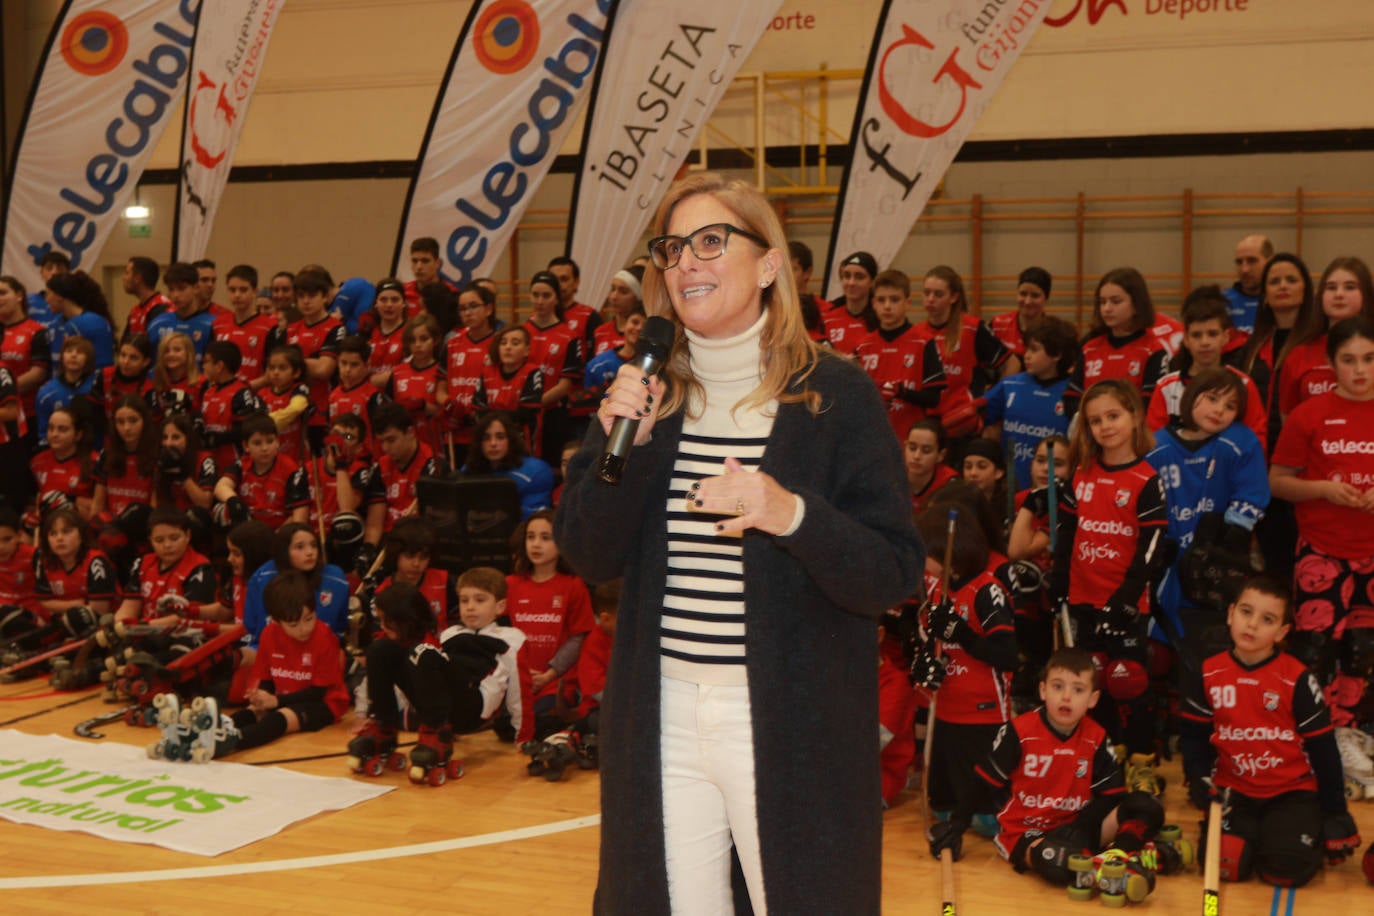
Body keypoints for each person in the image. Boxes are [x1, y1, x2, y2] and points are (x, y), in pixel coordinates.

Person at [556, 173, 923, 913]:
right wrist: (622, 448)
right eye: (672, 248)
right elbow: (587, 553)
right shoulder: (649, 393)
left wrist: (791, 514)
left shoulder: (836, 396)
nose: (685, 261)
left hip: (791, 720)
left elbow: (893, 572)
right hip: (661, 714)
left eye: (710, 241)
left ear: (768, 264)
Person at [927, 647, 1172, 904]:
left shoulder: (1096, 736)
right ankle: (1128, 861)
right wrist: (957, 825)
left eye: (1078, 690)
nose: (1066, 697)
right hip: (1028, 832)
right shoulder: (1019, 731)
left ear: (1093, 699)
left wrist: (1082, 827)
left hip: (1078, 825)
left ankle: (1116, 857)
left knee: (1146, 805)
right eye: (1058, 687)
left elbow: (1112, 797)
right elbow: (983, 783)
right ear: (1043, 691)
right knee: (1052, 859)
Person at [1178, 576, 1360, 886]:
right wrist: (1198, 778)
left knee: (1283, 872)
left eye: (1267, 619)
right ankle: (1255, 833)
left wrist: (1335, 812)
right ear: (1230, 613)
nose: (1252, 625)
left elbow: (1324, 750)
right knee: (1229, 869)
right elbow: (1193, 739)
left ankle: (1294, 831)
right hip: (1233, 790)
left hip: (1290, 792)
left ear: (1282, 632)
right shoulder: (1207, 673)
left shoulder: (1297, 679)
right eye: (1246, 612)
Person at [1050, 379, 1168, 795]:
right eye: (1095, 420)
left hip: (1124, 604)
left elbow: (1151, 548)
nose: (1104, 427)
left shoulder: (1147, 479)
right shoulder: (1080, 475)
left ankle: (1140, 763)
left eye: (1113, 416)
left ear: (1135, 416)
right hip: (1082, 601)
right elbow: (1066, 535)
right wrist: (1058, 585)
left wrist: (1125, 599)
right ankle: (1101, 760)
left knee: (1129, 683)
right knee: (1090, 685)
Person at [1270, 316, 1374, 728]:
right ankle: (1311, 733)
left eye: (1369, 358)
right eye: (1349, 360)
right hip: (1322, 548)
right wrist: (1323, 490)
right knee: (1314, 649)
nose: (1360, 370)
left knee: (1362, 648)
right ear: (1332, 364)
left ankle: (1347, 731)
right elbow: (1276, 482)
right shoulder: (1308, 414)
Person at [348, 573, 534, 781]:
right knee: (380, 649)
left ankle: (436, 733)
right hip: (444, 702)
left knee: (422, 652)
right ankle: (384, 726)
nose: (470, 607)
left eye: (479, 600)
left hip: (473, 705)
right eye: (464, 600)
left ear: (500, 607)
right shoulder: (450, 634)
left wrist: (524, 735)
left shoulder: (511, 639)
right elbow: (424, 674)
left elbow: (520, 690)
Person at [908, 504, 1017, 837]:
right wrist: (923, 664)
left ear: (946, 551)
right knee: (941, 806)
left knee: (987, 820)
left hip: (982, 718)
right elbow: (925, 645)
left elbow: (1007, 655)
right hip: (946, 713)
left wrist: (962, 634)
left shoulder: (987, 590)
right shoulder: (934, 589)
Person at [1145, 368, 1269, 652]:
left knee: (1212, 634)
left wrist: (1236, 530)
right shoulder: (1155, 446)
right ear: (1189, 397)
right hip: (1169, 558)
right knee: (1161, 634)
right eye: (1212, 399)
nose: (1219, 410)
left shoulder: (1239, 441)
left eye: (1230, 406)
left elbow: (1253, 490)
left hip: (1216, 558)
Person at [206, 570, 350, 759]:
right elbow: (266, 678)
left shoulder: (325, 638)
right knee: (252, 712)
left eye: (309, 619)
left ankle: (232, 742)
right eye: (294, 624)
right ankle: (212, 730)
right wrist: (262, 695)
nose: (304, 629)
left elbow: (318, 692)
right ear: (276, 621)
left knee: (280, 718)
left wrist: (276, 701)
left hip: (324, 703)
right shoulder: (268, 635)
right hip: (285, 697)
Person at [1146, 285, 1268, 448]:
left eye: (1212, 334)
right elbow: (1153, 444)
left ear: (1225, 337)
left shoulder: (1243, 385)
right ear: (1186, 340)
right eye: (1197, 335)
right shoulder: (1165, 388)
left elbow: (1256, 439)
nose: (1205, 342)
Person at [505, 510, 593, 734]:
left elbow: (578, 639)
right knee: (505, 727)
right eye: (530, 537)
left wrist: (548, 675)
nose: (536, 544)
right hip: (517, 680)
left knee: (543, 724)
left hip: (556, 682)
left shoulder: (573, 585)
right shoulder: (510, 584)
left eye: (546, 538)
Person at [915, 265, 1011, 438]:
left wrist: (990, 401)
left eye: (938, 294)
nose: (930, 299)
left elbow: (1011, 362)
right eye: (926, 293)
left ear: (953, 297)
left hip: (963, 422)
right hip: (927, 423)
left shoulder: (972, 328)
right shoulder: (916, 333)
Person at [981, 315, 1076, 490]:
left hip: (1054, 490)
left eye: (1034, 350)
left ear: (1056, 354)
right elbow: (977, 418)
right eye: (1027, 349)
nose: (1027, 356)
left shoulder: (1074, 394)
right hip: (1009, 489)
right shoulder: (1009, 385)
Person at [853, 268, 945, 441]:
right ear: (873, 303)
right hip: (872, 438)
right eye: (881, 300)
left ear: (907, 303)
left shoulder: (924, 342)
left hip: (911, 441)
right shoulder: (862, 345)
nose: (887, 306)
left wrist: (901, 392)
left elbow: (934, 398)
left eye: (894, 299)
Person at [1275, 256, 1374, 418]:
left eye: (1350, 287)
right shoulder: (1299, 354)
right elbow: (1289, 421)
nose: (1339, 294)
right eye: (1331, 287)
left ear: (1366, 295)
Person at [1068, 268, 1167, 410]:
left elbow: (1151, 403)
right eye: (1102, 302)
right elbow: (1071, 398)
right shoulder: (1089, 348)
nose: (1107, 308)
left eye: (1116, 301)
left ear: (1137, 305)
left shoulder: (1153, 350)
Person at [241, 522, 350, 646]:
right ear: (283, 550)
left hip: (320, 651)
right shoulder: (262, 577)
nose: (310, 552)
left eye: (313, 545)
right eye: (300, 547)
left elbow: (340, 626)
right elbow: (251, 624)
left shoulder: (336, 579)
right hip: (271, 649)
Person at [113, 507, 217, 628]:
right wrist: (119, 625)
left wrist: (140, 627)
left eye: (174, 538)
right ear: (150, 540)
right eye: (159, 540)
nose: (167, 545)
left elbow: (192, 619)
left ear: (188, 535)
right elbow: (129, 607)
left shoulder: (200, 568)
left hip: (182, 636)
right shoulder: (142, 563)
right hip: (144, 632)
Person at [212, 413, 310, 531]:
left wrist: (273, 538)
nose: (265, 448)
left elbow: (299, 518)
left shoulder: (291, 470)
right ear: (246, 446)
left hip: (279, 534)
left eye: (270, 441)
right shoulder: (242, 464)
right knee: (220, 510)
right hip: (248, 528)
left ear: (278, 442)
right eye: (257, 443)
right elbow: (220, 487)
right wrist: (235, 502)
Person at [463, 411, 554, 518]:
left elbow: (536, 518)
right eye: (486, 438)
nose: (493, 443)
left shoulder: (536, 471)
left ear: (511, 440)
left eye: (500, 437)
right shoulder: (469, 470)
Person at [444, 282, 499, 452]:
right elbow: (440, 387)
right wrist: (450, 406)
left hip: (488, 432)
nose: (468, 313)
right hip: (455, 431)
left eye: (473, 306)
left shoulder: (499, 344)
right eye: (462, 308)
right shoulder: (451, 344)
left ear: (489, 309)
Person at [198, 340, 265, 471]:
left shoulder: (241, 392)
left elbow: (245, 430)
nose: (203, 367)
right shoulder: (207, 391)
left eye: (206, 362)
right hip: (211, 461)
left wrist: (216, 439)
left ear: (219, 366)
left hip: (233, 462)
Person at [386, 313, 446, 457]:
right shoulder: (398, 372)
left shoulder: (441, 372)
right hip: (404, 449)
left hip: (434, 446)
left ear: (436, 340)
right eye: (413, 340)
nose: (418, 345)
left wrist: (424, 406)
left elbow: (446, 411)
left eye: (424, 339)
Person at [30, 404, 96, 523]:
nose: (54, 434)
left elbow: (101, 507)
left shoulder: (94, 462)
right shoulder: (37, 462)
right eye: (51, 428)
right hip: (47, 528)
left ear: (78, 435)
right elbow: (32, 503)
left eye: (62, 429)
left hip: (82, 526)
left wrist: (70, 501)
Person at [213, 264, 276, 388]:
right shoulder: (218, 324)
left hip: (255, 395)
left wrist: (243, 389)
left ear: (254, 292)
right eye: (232, 290)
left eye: (243, 290)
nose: (237, 295)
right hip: (222, 396)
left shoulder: (270, 327)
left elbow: (273, 372)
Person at [147, 261, 216, 361]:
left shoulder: (211, 324)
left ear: (196, 288)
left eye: (181, 289)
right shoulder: (157, 323)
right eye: (171, 289)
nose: (175, 295)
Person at [33, 335, 95, 446]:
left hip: (92, 449)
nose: (73, 355)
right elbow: (43, 434)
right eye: (69, 351)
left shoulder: (96, 388)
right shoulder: (46, 393)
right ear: (62, 356)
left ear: (88, 358)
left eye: (80, 352)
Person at [46, 271, 115, 369]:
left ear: (59, 296)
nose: (46, 299)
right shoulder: (55, 324)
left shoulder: (94, 323)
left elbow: (104, 365)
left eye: (48, 294)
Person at [990, 266, 1053, 368]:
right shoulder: (997, 325)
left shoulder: (1054, 332)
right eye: (1023, 294)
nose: (1027, 301)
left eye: (1035, 296)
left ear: (1046, 298)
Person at [259, 345, 311, 461]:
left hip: (296, 457)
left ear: (296, 372)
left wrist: (271, 422)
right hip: (270, 457)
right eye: (272, 368)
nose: (276, 372)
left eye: (282, 368)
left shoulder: (300, 389)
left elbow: (297, 408)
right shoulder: (262, 394)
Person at [822, 250, 879, 354]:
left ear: (872, 282)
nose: (851, 283)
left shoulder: (880, 319)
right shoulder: (827, 319)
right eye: (847, 276)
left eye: (859, 277)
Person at [907, 417, 958, 517]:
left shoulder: (950, 485)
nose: (916, 456)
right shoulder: (892, 475)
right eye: (912, 448)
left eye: (926, 450)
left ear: (941, 455)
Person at [365, 278, 410, 389]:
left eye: (395, 300)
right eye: (383, 300)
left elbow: (409, 370)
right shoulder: (367, 332)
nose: (389, 305)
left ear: (403, 303)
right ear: (376, 303)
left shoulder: (411, 333)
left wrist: (373, 381)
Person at [591, 267, 645, 357]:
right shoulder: (600, 332)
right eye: (612, 289)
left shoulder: (640, 333)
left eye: (623, 292)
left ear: (638, 297)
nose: (614, 297)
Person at [1223, 234, 1272, 334]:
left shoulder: (1283, 301)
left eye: (1252, 261)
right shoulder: (1221, 301)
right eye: (1239, 262)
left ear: (1270, 261)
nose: (1244, 270)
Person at [122, 256, 171, 339]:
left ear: (138, 278)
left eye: (127, 273)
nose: (123, 278)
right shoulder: (135, 311)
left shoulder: (161, 307)